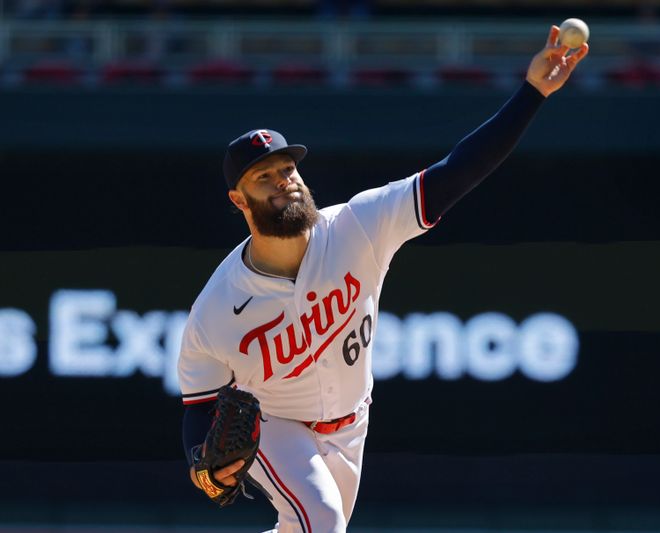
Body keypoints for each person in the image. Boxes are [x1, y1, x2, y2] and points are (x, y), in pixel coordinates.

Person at [179, 25, 588, 533]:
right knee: (321, 521)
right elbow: (198, 407)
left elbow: (456, 172)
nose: (284, 181)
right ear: (239, 201)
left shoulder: (357, 226)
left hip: (352, 423)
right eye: (265, 177)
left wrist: (532, 94)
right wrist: (203, 462)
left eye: (288, 169)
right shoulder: (218, 307)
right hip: (277, 427)